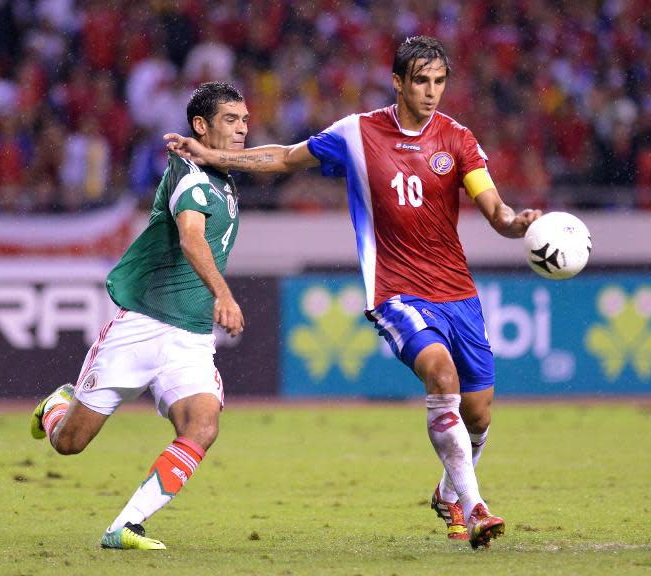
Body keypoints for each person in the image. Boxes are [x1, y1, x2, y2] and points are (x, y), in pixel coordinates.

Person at [165, 36, 542, 550]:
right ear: (398, 82)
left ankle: (448, 487)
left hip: (459, 295)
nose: (432, 92)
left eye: (439, 82)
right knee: (441, 374)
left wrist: (519, 224)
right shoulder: (358, 133)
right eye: (421, 81)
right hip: (396, 292)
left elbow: (495, 211)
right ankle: (473, 506)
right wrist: (212, 154)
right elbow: (283, 158)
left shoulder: (457, 139)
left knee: (478, 414)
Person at [30, 81, 247, 550]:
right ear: (200, 126)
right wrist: (223, 295)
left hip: (190, 339)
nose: (242, 129)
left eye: (245, 120)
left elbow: (277, 157)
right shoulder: (187, 174)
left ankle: (124, 526)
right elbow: (191, 238)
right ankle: (56, 406)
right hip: (143, 325)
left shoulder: (223, 175)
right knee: (69, 443)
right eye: (231, 120)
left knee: (202, 427)